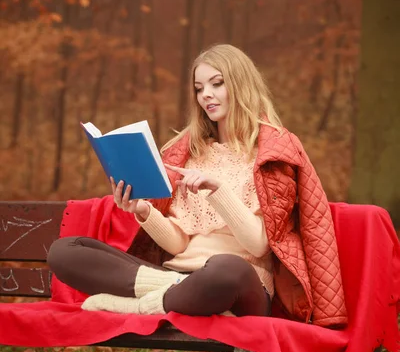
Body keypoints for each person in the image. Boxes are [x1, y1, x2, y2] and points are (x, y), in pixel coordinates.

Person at [47, 44, 347, 326]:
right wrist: (144, 212)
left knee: (226, 268)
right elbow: (178, 244)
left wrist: (219, 191)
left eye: (217, 84)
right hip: (178, 274)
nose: (206, 95)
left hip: (243, 285)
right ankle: (174, 292)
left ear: (241, 84)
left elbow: (258, 245)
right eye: (199, 88)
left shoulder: (273, 149)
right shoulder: (189, 151)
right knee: (66, 250)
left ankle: (141, 305)